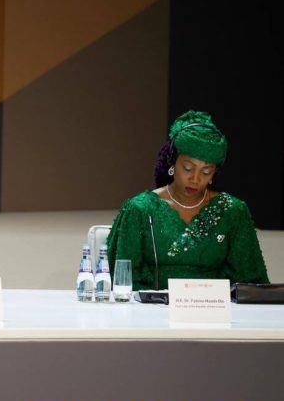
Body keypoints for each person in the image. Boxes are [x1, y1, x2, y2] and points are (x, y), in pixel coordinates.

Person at [106, 110, 269, 290]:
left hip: (214, 306)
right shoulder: (140, 209)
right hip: (153, 306)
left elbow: (250, 284)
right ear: (172, 162)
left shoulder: (233, 211)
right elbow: (121, 279)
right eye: (188, 168)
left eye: (206, 171)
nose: (195, 178)